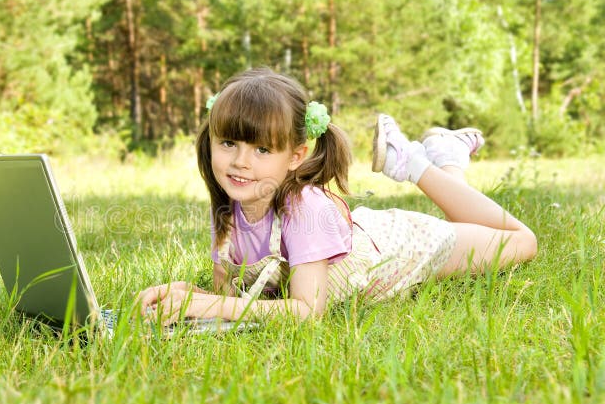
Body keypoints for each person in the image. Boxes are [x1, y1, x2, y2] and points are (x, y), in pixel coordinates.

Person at [137, 67, 537, 322]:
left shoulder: (305, 210)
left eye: (261, 149)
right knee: (468, 222)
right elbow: (232, 299)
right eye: (228, 144)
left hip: (404, 249)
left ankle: (413, 164)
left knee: (521, 242)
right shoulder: (227, 206)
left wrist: (211, 304)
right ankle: (448, 155)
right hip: (358, 234)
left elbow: (307, 312)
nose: (240, 162)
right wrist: (184, 297)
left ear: (296, 156)